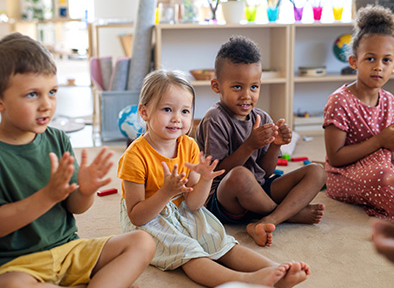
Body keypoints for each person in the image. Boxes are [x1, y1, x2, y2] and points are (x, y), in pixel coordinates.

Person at [118, 69, 310, 288]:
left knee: (221, 242)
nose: (176, 119)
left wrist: (206, 179)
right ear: (144, 112)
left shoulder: (189, 145)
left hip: (183, 212)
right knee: (189, 253)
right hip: (150, 221)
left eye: (185, 111)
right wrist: (166, 193)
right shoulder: (134, 156)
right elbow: (136, 217)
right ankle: (247, 281)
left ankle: (276, 269)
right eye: (167, 109)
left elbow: (193, 204)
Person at [0, 32, 155, 287]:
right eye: (32, 94)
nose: (46, 104)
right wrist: (47, 196)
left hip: (70, 251)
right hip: (19, 264)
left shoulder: (58, 139)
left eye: (52, 92)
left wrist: (86, 190)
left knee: (142, 242)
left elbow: (75, 207)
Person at [195, 35, 326, 247]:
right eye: (237, 87)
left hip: (259, 190)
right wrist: (249, 145)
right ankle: (287, 214)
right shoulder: (215, 118)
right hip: (224, 198)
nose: (247, 95)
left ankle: (269, 220)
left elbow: (265, 172)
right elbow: (216, 172)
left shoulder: (262, 118)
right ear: (216, 86)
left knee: (317, 172)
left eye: (254, 87)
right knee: (240, 176)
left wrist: (276, 145)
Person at [323, 4, 394, 220]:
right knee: (384, 178)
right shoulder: (340, 101)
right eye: (370, 58)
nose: (378, 67)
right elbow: (335, 157)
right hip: (346, 173)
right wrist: (380, 141)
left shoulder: (390, 101)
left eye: (386, 60)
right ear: (354, 61)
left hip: (383, 164)